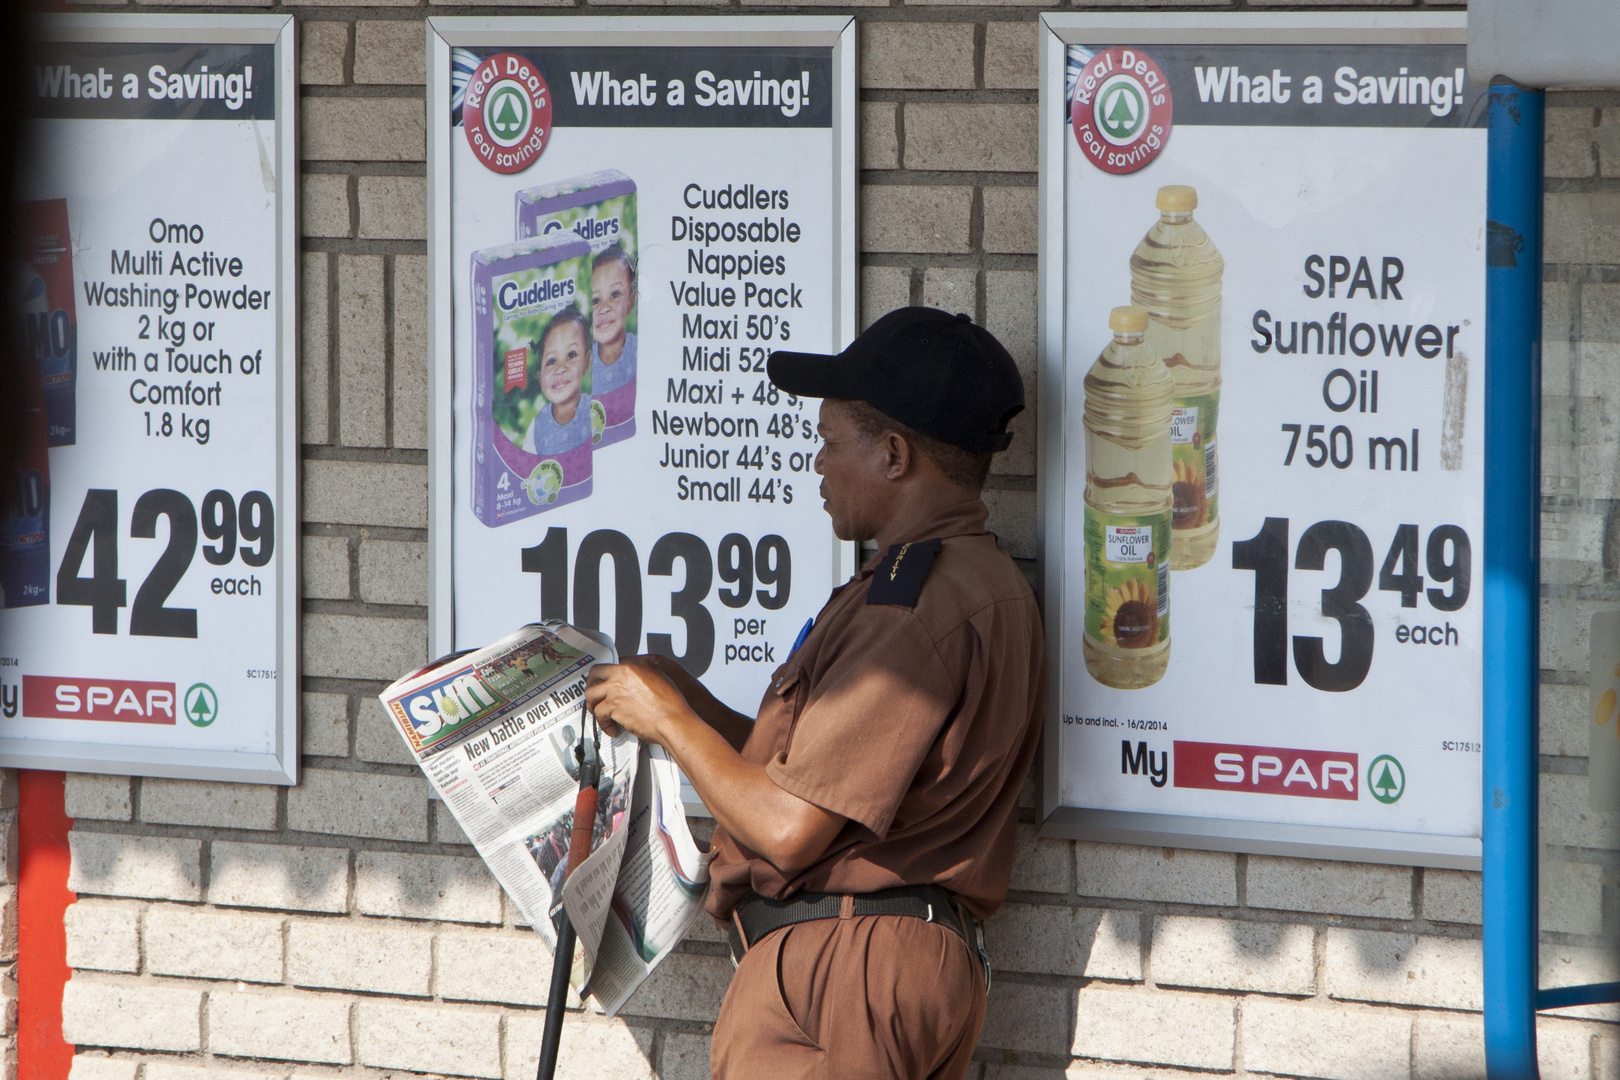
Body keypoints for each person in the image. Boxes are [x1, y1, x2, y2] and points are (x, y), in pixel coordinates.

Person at [585, 307, 1042, 1080]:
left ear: (894, 455)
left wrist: (665, 720)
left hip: (843, 977)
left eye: (831, 444)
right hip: (872, 967)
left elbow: (790, 828)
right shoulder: (962, 579)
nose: (816, 465)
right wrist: (687, 704)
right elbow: (812, 773)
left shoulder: (915, 608)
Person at [521, 306, 595, 456]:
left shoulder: (593, 410)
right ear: (541, 379)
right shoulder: (537, 428)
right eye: (551, 361)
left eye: (571, 355)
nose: (560, 368)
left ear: (586, 362)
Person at [587, 243, 637, 445]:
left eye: (615, 295)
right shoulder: (584, 364)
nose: (604, 308)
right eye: (595, 300)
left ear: (631, 301)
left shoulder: (637, 350)